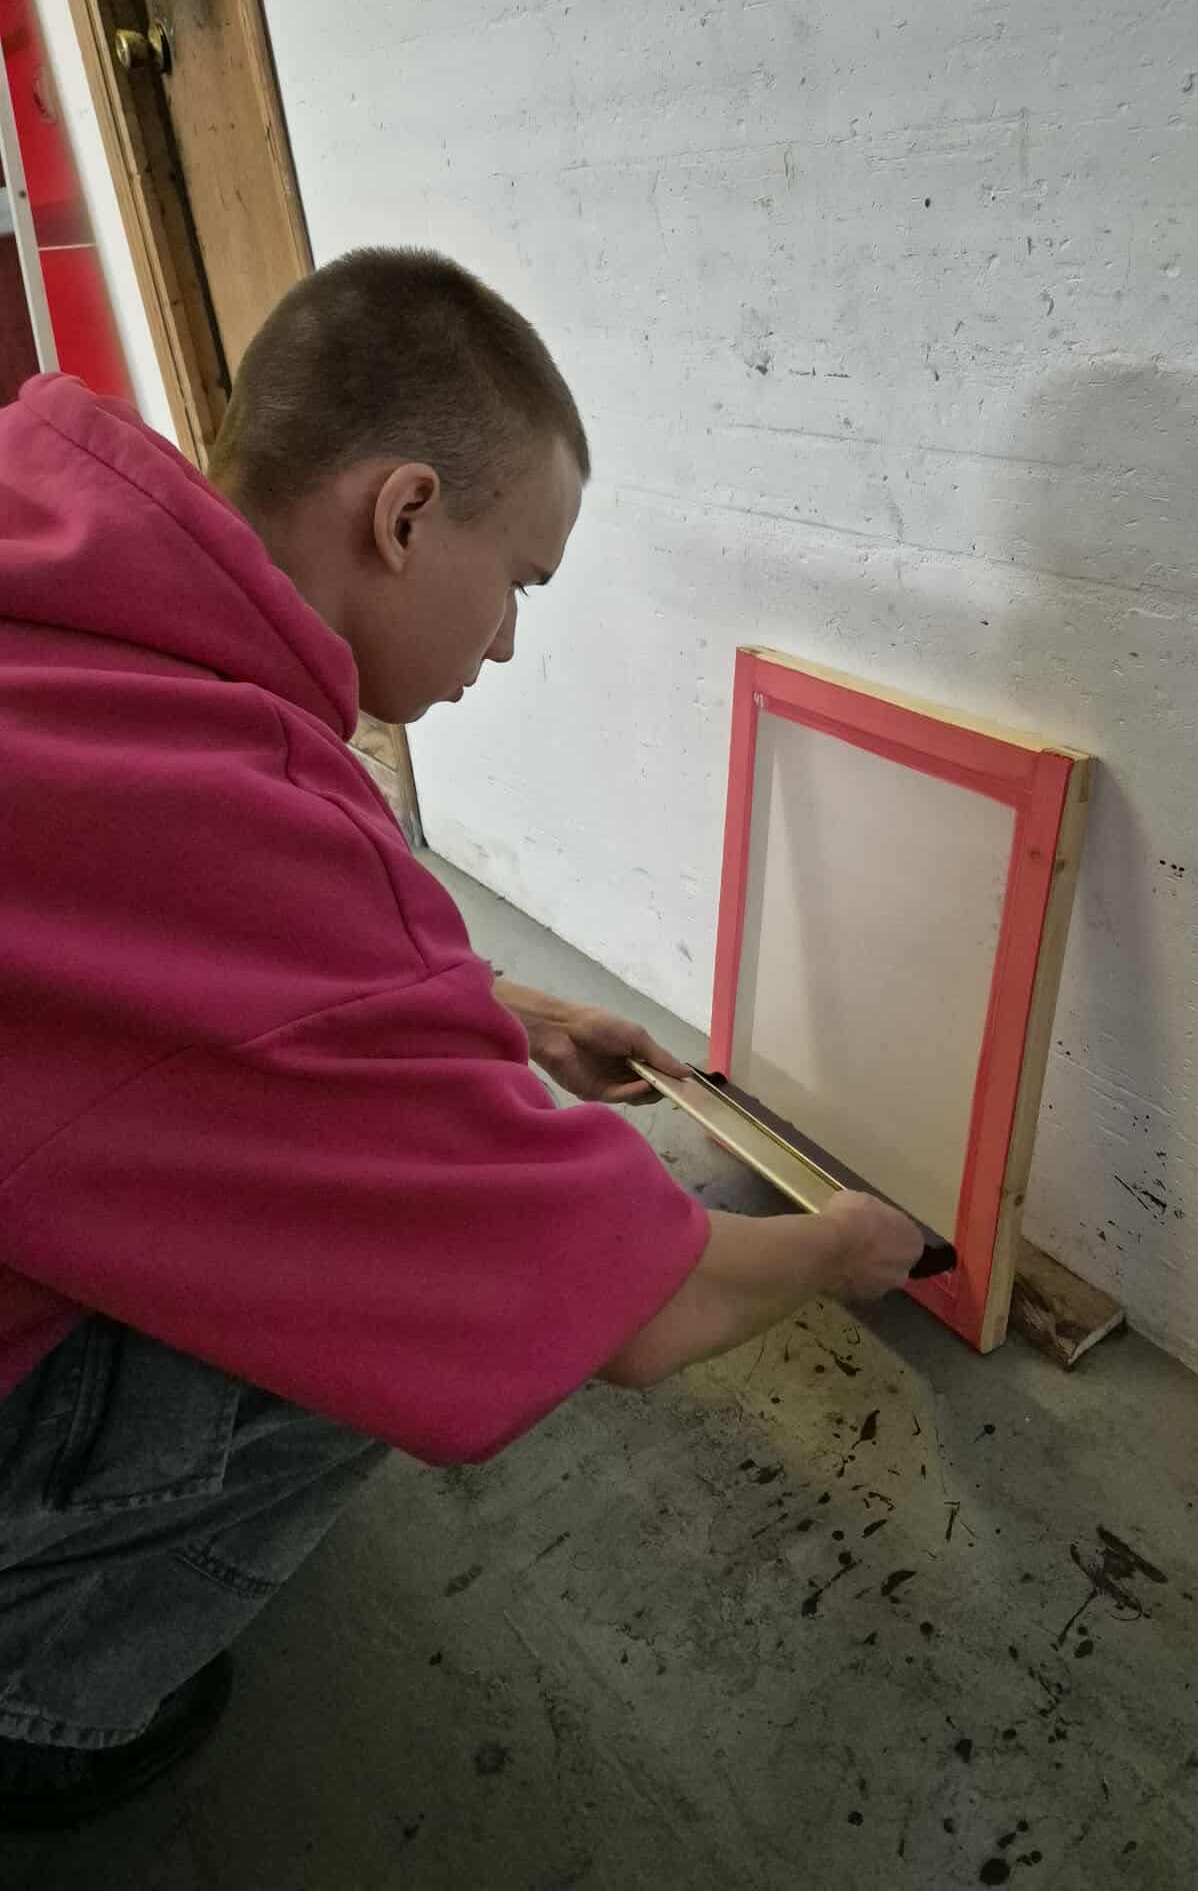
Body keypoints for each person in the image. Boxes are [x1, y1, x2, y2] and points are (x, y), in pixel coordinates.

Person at [0, 248, 923, 1829]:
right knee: (382, 1303)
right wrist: (845, 1248)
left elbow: (137, 972)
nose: (503, 645)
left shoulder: (61, 575)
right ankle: (48, 1693)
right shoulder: (276, 823)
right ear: (407, 513)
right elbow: (613, 1301)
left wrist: (509, 1013)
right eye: (521, 585)